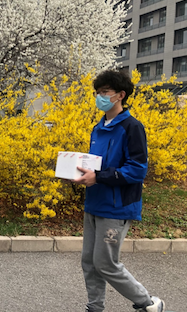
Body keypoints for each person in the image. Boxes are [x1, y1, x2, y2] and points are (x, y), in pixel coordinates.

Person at [72, 70, 164, 312]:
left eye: (105, 92)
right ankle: (94, 307)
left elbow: (137, 170)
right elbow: (96, 164)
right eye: (97, 93)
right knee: (90, 263)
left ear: (121, 95)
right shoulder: (98, 128)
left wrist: (99, 177)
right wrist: (81, 173)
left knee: (106, 263)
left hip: (117, 206)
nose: (100, 97)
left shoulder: (132, 127)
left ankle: (148, 303)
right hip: (94, 202)